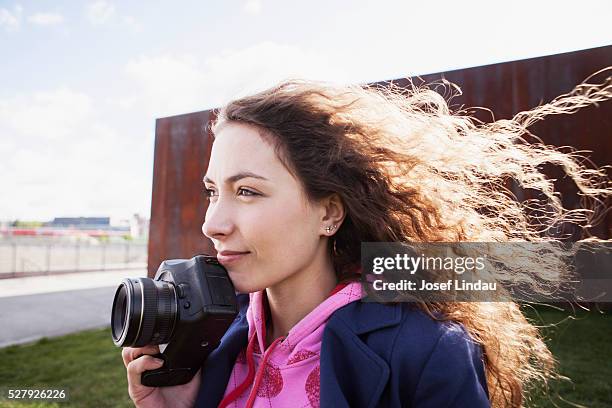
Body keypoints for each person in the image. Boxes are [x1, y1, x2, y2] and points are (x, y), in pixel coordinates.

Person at [122, 72, 612, 408]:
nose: (213, 223)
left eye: (247, 191)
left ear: (329, 213)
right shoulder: (212, 345)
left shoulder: (426, 353)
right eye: (213, 192)